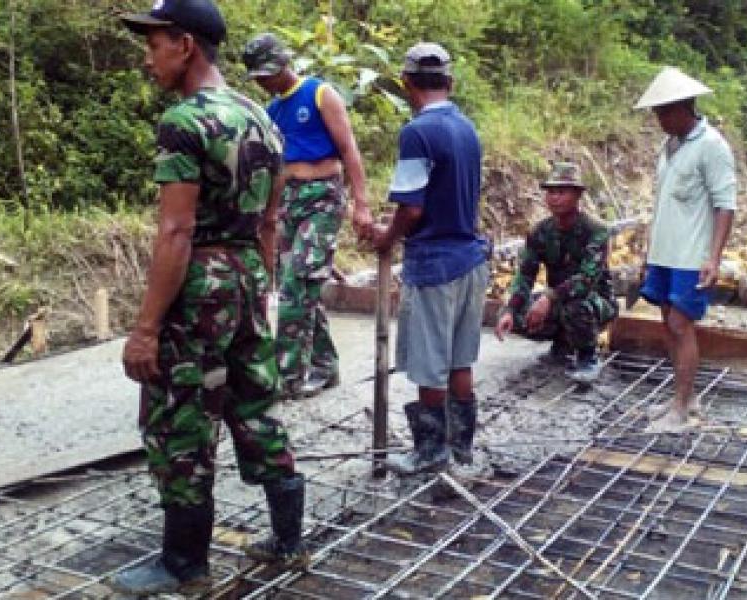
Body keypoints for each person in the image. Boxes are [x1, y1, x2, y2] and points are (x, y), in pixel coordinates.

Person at [112, 1, 306, 594]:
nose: (149, 58)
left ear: (186, 45)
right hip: (247, 273)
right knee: (255, 402)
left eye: (155, 45)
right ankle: (288, 539)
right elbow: (271, 221)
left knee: (181, 416)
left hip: (199, 284)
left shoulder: (184, 121)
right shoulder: (264, 119)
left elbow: (176, 230)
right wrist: (262, 291)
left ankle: (184, 563)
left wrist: (146, 328)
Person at [370, 43, 489, 476]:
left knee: (428, 363)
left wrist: (387, 236)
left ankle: (431, 452)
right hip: (470, 259)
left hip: (435, 263)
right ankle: (461, 451)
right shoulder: (466, 127)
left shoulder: (417, 133)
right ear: (450, 82)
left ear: (406, 84)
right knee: (460, 360)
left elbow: (413, 207)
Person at [242, 33, 374, 398]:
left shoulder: (319, 93)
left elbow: (349, 149)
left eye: (269, 72)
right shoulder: (271, 112)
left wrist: (361, 204)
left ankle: (288, 376)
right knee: (299, 285)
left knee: (295, 285)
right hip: (290, 200)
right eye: (259, 77)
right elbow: (274, 169)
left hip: (323, 195)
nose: (266, 80)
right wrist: (266, 215)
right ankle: (325, 366)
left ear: (285, 64)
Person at [632, 67, 736, 434]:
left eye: (663, 113)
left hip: (691, 254)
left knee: (681, 323)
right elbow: (664, 203)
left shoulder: (711, 146)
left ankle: (682, 406)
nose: (658, 120)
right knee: (667, 323)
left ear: (683, 108)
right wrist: (649, 251)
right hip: (665, 251)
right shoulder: (670, 147)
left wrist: (713, 258)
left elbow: (725, 204)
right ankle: (683, 397)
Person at [494, 162, 618, 383]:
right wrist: (510, 310)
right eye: (550, 192)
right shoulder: (540, 232)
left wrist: (548, 298)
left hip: (594, 302)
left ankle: (587, 357)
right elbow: (525, 275)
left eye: (561, 192)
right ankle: (562, 342)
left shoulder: (596, 230)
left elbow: (586, 281)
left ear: (578, 195)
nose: (554, 198)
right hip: (556, 300)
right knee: (516, 314)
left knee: (576, 306)